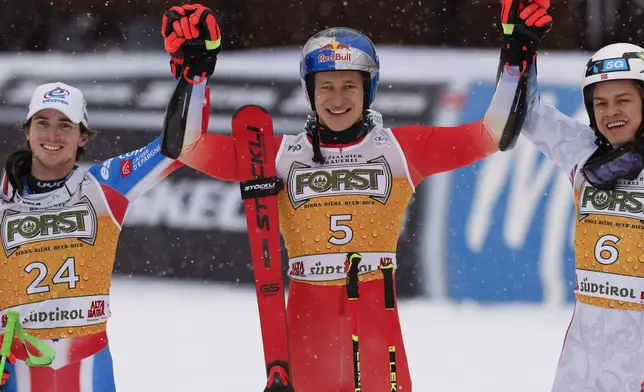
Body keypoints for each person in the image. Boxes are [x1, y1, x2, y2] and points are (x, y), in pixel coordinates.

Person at [173, 3, 549, 390]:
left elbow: (494, 134)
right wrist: (195, 76)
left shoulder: (402, 149)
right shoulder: (278, 153)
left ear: (367, 89)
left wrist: (515, 58)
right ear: (311, 93)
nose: (338, 99)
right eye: (326, 87)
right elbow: (187, 147)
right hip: (307, 323)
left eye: (349, 85)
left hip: (375, 320)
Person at [0, 5, 220, 391]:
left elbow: (179, 146)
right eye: (43, 122)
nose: (53, 134)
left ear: (83, 137)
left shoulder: (103, 186)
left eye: (65, 125)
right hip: (15, 369)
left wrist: (195, 74)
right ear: (27, 131)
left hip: (88, 363)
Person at [496, 0, 644, 390]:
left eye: (623, 100)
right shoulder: (583, 152)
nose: (611, 112)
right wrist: (518, 46)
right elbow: (523, 114)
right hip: (583, 360)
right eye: (600, 103)